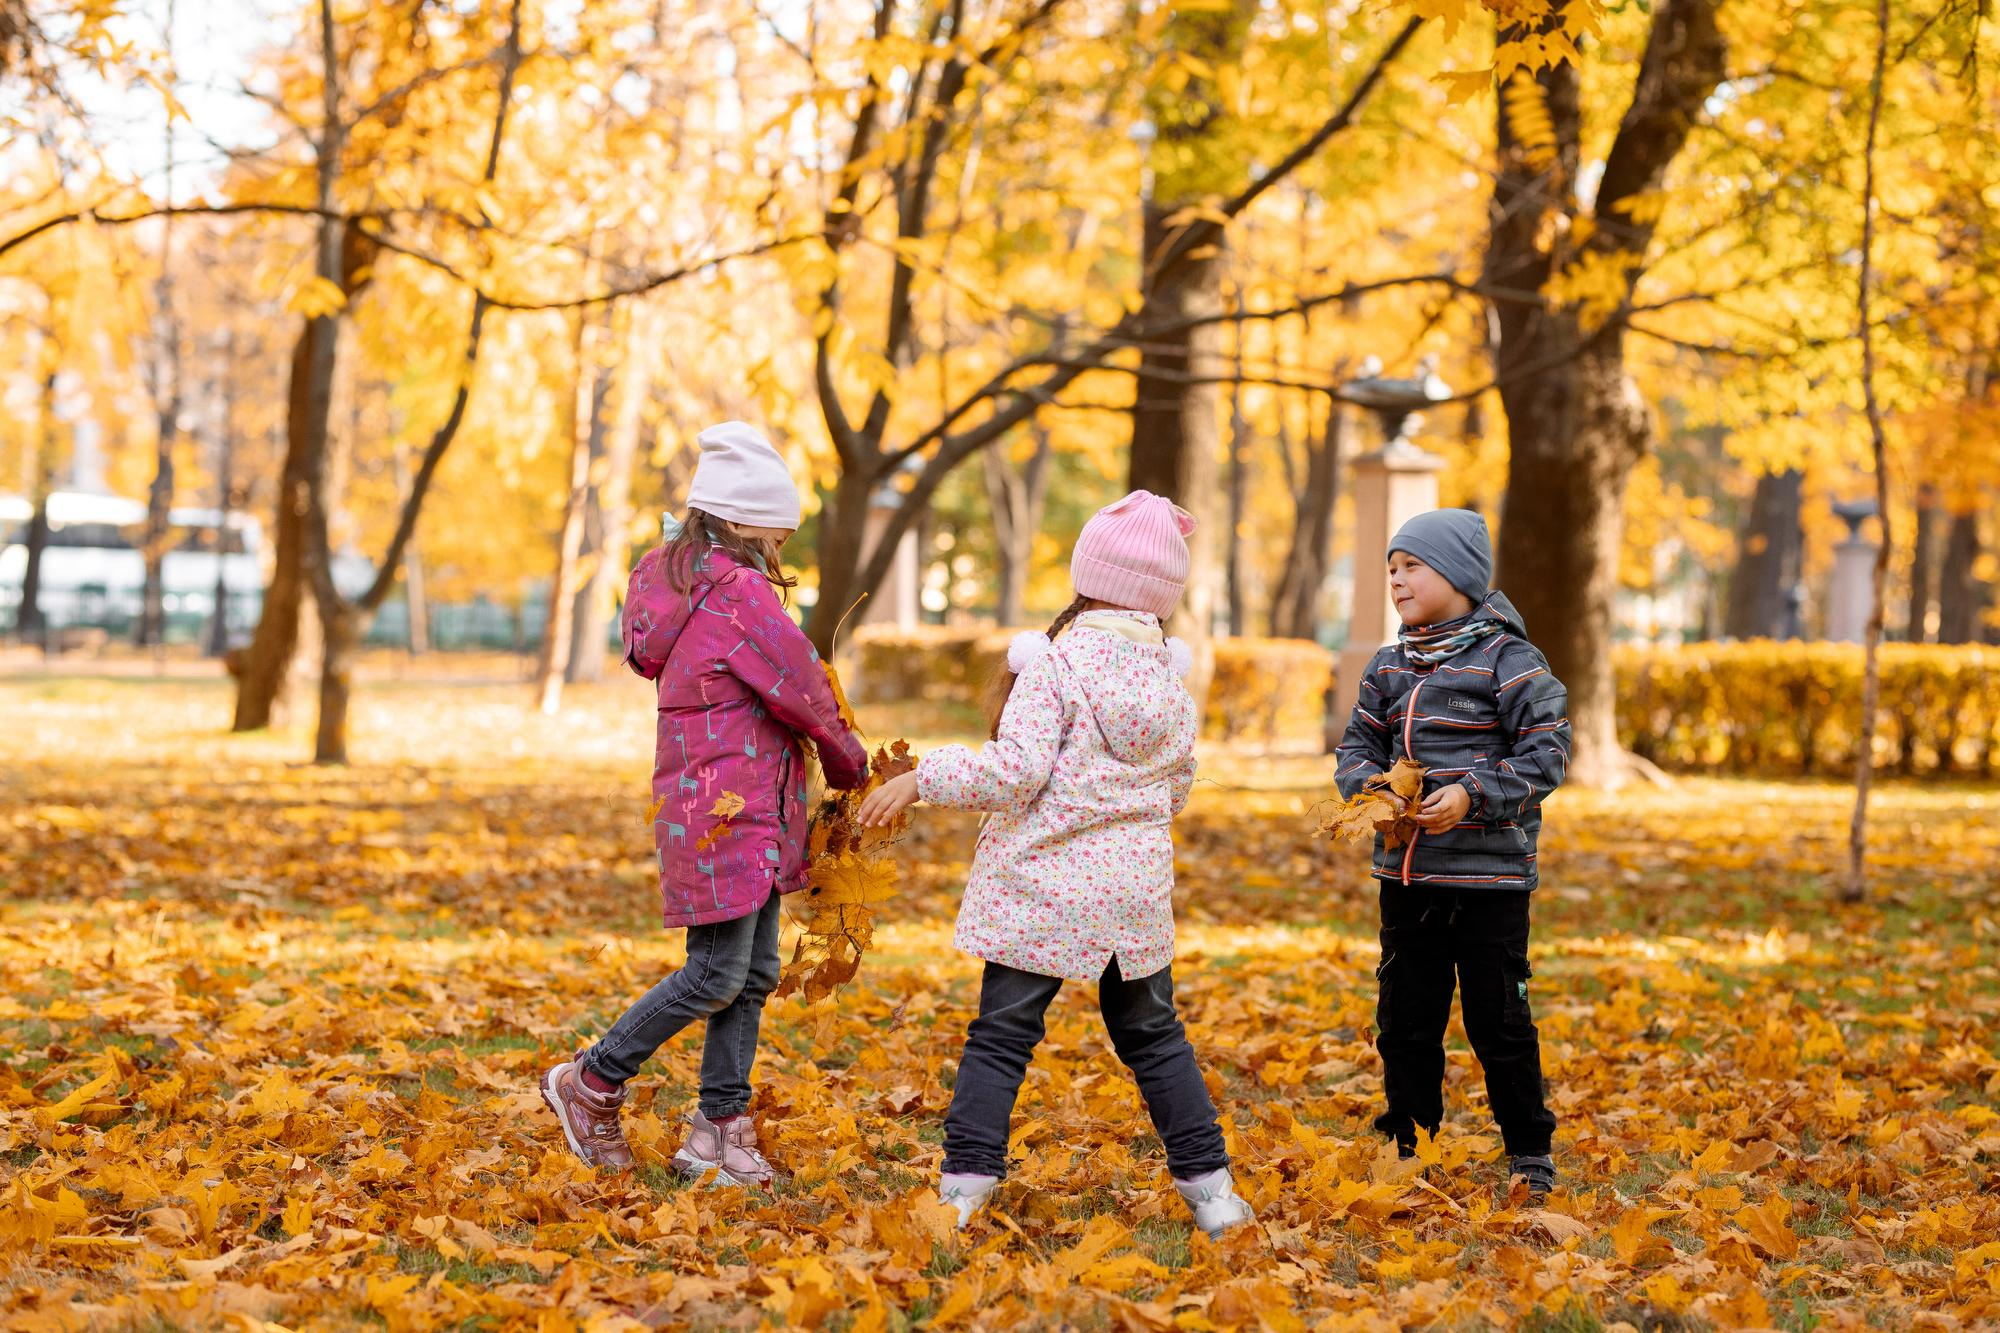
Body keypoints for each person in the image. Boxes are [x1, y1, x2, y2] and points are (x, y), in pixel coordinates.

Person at [859, 491, 1255, 1240]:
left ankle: (963, 1190)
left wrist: (923, 778)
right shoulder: (1171, 682)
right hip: (1132, 897)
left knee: (1002, 1036)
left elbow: (1014, 773)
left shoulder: (1056, 664)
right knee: (1156, 1036)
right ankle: (1213, 1193)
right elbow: (1175, 787)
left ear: (1088, 574)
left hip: (1044, 887)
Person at [541, 421, 870, 1184]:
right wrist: (852, 765)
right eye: (778, 533)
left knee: (749, 971)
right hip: (732, 809)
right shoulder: (737, 592)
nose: (782, 549)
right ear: (743, 519)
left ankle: (717, 1132)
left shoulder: (692, 581)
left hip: (725, 805)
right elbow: (805, 688)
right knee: (719, 972)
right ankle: (591, 1080)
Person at [1333, 507, 1570, 1197]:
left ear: (1461, 575)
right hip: (1408, 877)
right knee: (1405, 1016)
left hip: (1490, 881)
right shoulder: (1388, 665)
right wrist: (1374, 794)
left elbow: (1547, 752)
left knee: (1497, 1018)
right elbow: (1357, 746)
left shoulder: (1510, 661)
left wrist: (1472, 793)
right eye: (1391, 570)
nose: (1398, 581)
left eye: (1413, 566)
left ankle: (1529, 1144)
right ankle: (1410, 1140)